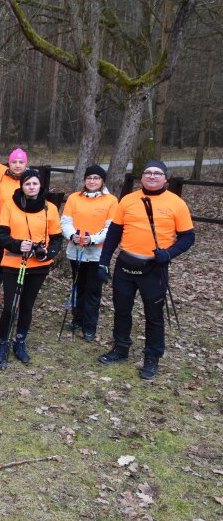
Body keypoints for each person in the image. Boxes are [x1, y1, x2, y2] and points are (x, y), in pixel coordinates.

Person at [97, 160, 195, 379]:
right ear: (141, 177)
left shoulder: (176, 203)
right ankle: (120, 348)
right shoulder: (128, 200)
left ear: (165, 178)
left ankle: (152, 356)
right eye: (147, 172)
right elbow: (114, 233)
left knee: (154, 315)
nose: (151, 176)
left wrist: (169, 254)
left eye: (157, 173)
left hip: (154, 267)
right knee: (122, 310)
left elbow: (188, 236)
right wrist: (103, 262)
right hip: (126, 264)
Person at [0, 169, 62, 366]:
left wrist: (48, 253)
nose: (31, 187)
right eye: (27, 184)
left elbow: (57, 238)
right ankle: (3, 342)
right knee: (9, 306)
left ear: (40, 186)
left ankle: (20, 341)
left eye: (35, 184)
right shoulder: (10, 205)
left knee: (27, 305)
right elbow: (2, 233)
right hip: (13, 262)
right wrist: (17, 245)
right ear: (21, 186)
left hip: (38, 265)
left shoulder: (51, 208)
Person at [59, 165, 118, 342]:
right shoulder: (74, 198)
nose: (92, 181)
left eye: (96, 178)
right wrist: (72, 236)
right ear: (84, 180)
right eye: (89, 178)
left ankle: (89, 326)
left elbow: (111, 227)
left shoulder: (111, 200)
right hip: (76, 250)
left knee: (93, 290)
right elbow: (65, 221)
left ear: (102, 181)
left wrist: (92, 239)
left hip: (97, 253)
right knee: (78, 286)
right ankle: (77, 319)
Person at [0, 148, 29, 314]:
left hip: (22, 231)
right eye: (14, 162)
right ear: (9, 163)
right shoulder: (1, 178)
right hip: (1, 230)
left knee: (19, 267)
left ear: (26, 164)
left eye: (21, 162)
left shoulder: (29, 180)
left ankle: (15, 301)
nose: (17, 165)